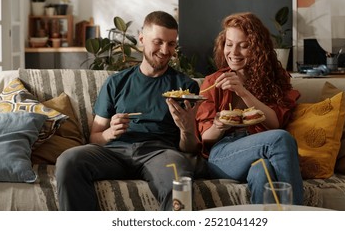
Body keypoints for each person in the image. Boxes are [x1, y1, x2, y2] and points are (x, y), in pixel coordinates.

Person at [56, 11, 207, 211]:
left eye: (171, 44)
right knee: (69, 160)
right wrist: (110, 132)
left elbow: (189, 149)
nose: (165, 50)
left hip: (160, 153)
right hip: (115, 153)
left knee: (179, 178)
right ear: (142, 39)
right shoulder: (116, 83)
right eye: (158, 42)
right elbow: (94, 137)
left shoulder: (186, 88)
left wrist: (187, 129)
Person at [196, 12, 303, 205]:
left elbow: (275, 122)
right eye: (229, 44)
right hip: (223, 154)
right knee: (281, 138)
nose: (233, 53)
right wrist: (219, 126)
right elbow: (205, 138)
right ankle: (296, 219)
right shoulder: (213, 82)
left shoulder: (274, 80)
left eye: (243, 46)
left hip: (261, 149)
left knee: (262, 172)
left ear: (257, 48)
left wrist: (243, 92)